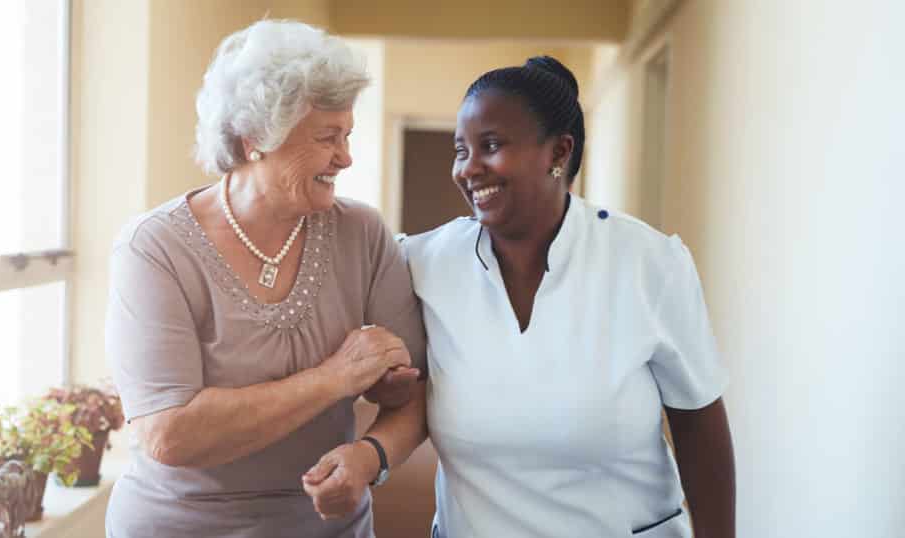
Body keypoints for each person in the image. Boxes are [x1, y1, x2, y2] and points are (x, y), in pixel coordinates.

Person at [302, 56, 736, 538]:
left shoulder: (648, 263)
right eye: (460, 150)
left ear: (559, 152)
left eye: (491, 146)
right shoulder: (422, 263)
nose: (469, 169)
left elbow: (699, 426)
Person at [104, 20, 426, 538]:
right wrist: (336, 378)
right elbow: (170, 434)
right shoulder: (155, 247)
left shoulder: (361, 233)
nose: (345, 157)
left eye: (347, 135)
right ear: (256, 139)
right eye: (327, 137)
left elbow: (414, 394)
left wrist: (370, 456)